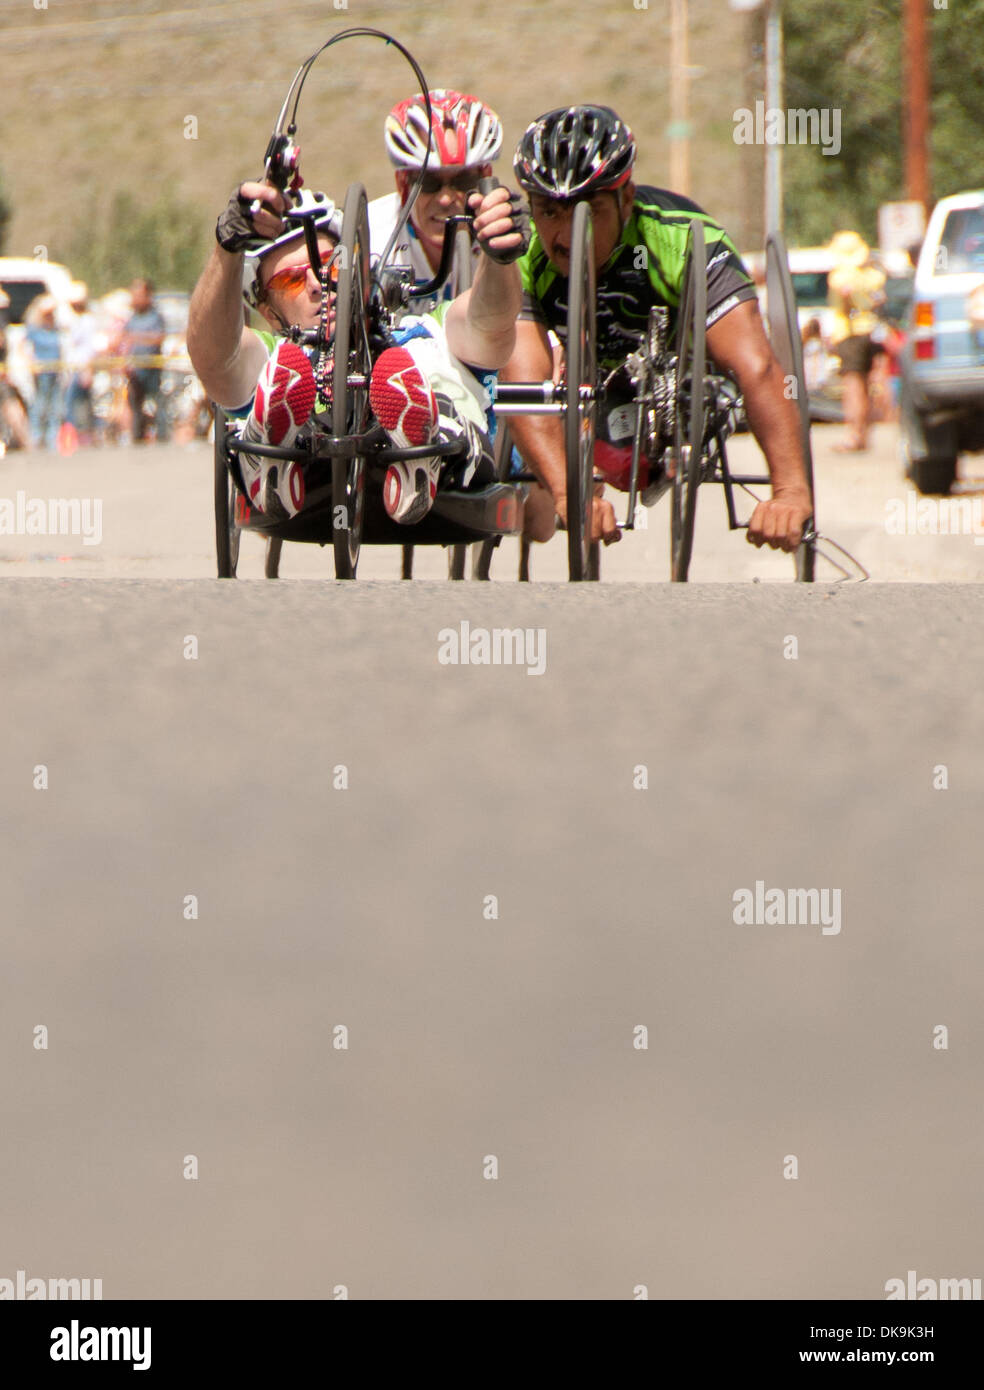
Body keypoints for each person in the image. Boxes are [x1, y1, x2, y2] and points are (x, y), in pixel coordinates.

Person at [502, 104, 814, 552]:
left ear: (626, 198)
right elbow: (524, 388)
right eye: (549, 212)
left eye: (587, 210)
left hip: (683, 379)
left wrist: (789, 494)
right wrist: (569, 495)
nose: (567, 234)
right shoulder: (526, 257)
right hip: (599, 392)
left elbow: (757, 368)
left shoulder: (684, 240)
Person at [188, 176, 527, 524]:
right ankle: (274, 451)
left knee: (429, 371)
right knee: (278, 378)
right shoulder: (273, 356)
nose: (317, 286)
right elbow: (214, 358)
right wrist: (227, 247)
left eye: (328, 266)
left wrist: (499, 256)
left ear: (359, 271)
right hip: (311, 474)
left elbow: (491, 320)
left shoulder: (427, 331)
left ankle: (425, 440)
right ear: (267, 312)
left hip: (451, 466)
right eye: (290, 281)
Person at [368, 89, 505, 312]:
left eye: (463, 181)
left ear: (485, 179)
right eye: (428, 183)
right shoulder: (371, 236)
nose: (445, 198)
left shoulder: (504, 237)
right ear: (403, 184)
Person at [826, 230, 886, 452]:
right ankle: (864, 434)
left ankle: (853, 435)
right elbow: (880, 300)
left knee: (853, 387)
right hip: (870, 332)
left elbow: (845, 298)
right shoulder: (872, 275)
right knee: (868, 386)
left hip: (850, 334)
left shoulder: (840, 276)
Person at [121, 278, 168, 443]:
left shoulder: (155, 317)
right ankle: (137, 436)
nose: (135, 299)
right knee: (135, 403)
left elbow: (158, 338)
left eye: (139, 295)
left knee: (157, 401)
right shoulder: (132, 318)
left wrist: (138, 339)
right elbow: (125, 340)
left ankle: (162, 436)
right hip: (135, 371)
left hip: (152, 369)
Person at [24, 294, 63, 451]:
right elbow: (25, 348)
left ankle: (52, 439)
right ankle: (36, 436)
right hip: (41, 372)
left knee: (56, 406)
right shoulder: (34, 329)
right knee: (40, 404)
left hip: (56, 370)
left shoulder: (55, 329)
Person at [63, 281, 99, 445]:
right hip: (72, 368)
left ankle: (84, 436)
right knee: (74, 403)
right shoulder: (73, 320)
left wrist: (88, 369)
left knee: (78, 404)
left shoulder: (87, 321)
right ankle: (77, 436)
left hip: (82, 367)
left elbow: (90, 347)